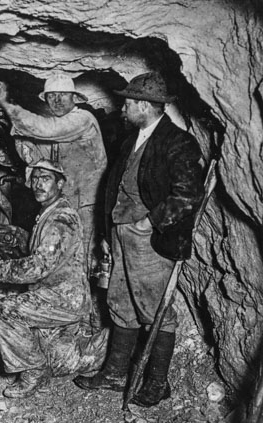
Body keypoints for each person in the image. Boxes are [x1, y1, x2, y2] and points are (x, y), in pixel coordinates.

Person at [73, 72, 205, 407]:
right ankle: (116, 373)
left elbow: (188, 195)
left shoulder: (178, 143)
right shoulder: (131, 138)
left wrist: (150, 223)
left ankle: (158, 383)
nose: (123, 107)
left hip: (149, 242)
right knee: (121, 304)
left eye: (129, 102)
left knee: (154, 310)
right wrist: (107, 232)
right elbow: (115, 187)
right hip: (121, 233)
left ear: (144, 106)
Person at [0, 159, 94, 398]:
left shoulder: (61, 219)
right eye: (35, 179)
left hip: (63, 299)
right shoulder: (48, 212)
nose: (38, 184)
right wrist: (17, 236)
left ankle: (33, 371)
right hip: (55, 294)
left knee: (4, 309)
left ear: (60, 183)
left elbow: (40, 265)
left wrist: (1, 268)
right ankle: (49, 352)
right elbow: (44, 252)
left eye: (46, 179)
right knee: (58, 355)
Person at [0, 74, 107, 276]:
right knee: (58, 258)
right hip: (63, 202)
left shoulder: (82, 119)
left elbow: (45, 129)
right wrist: (17, 136)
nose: (56, 100)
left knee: (83, 259)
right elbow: (38, 160)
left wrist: (8, 106)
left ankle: (83, 303)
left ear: (74, 97)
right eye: (51, 95)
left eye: (63, 95)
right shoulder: (56, 129)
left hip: (87, 204)